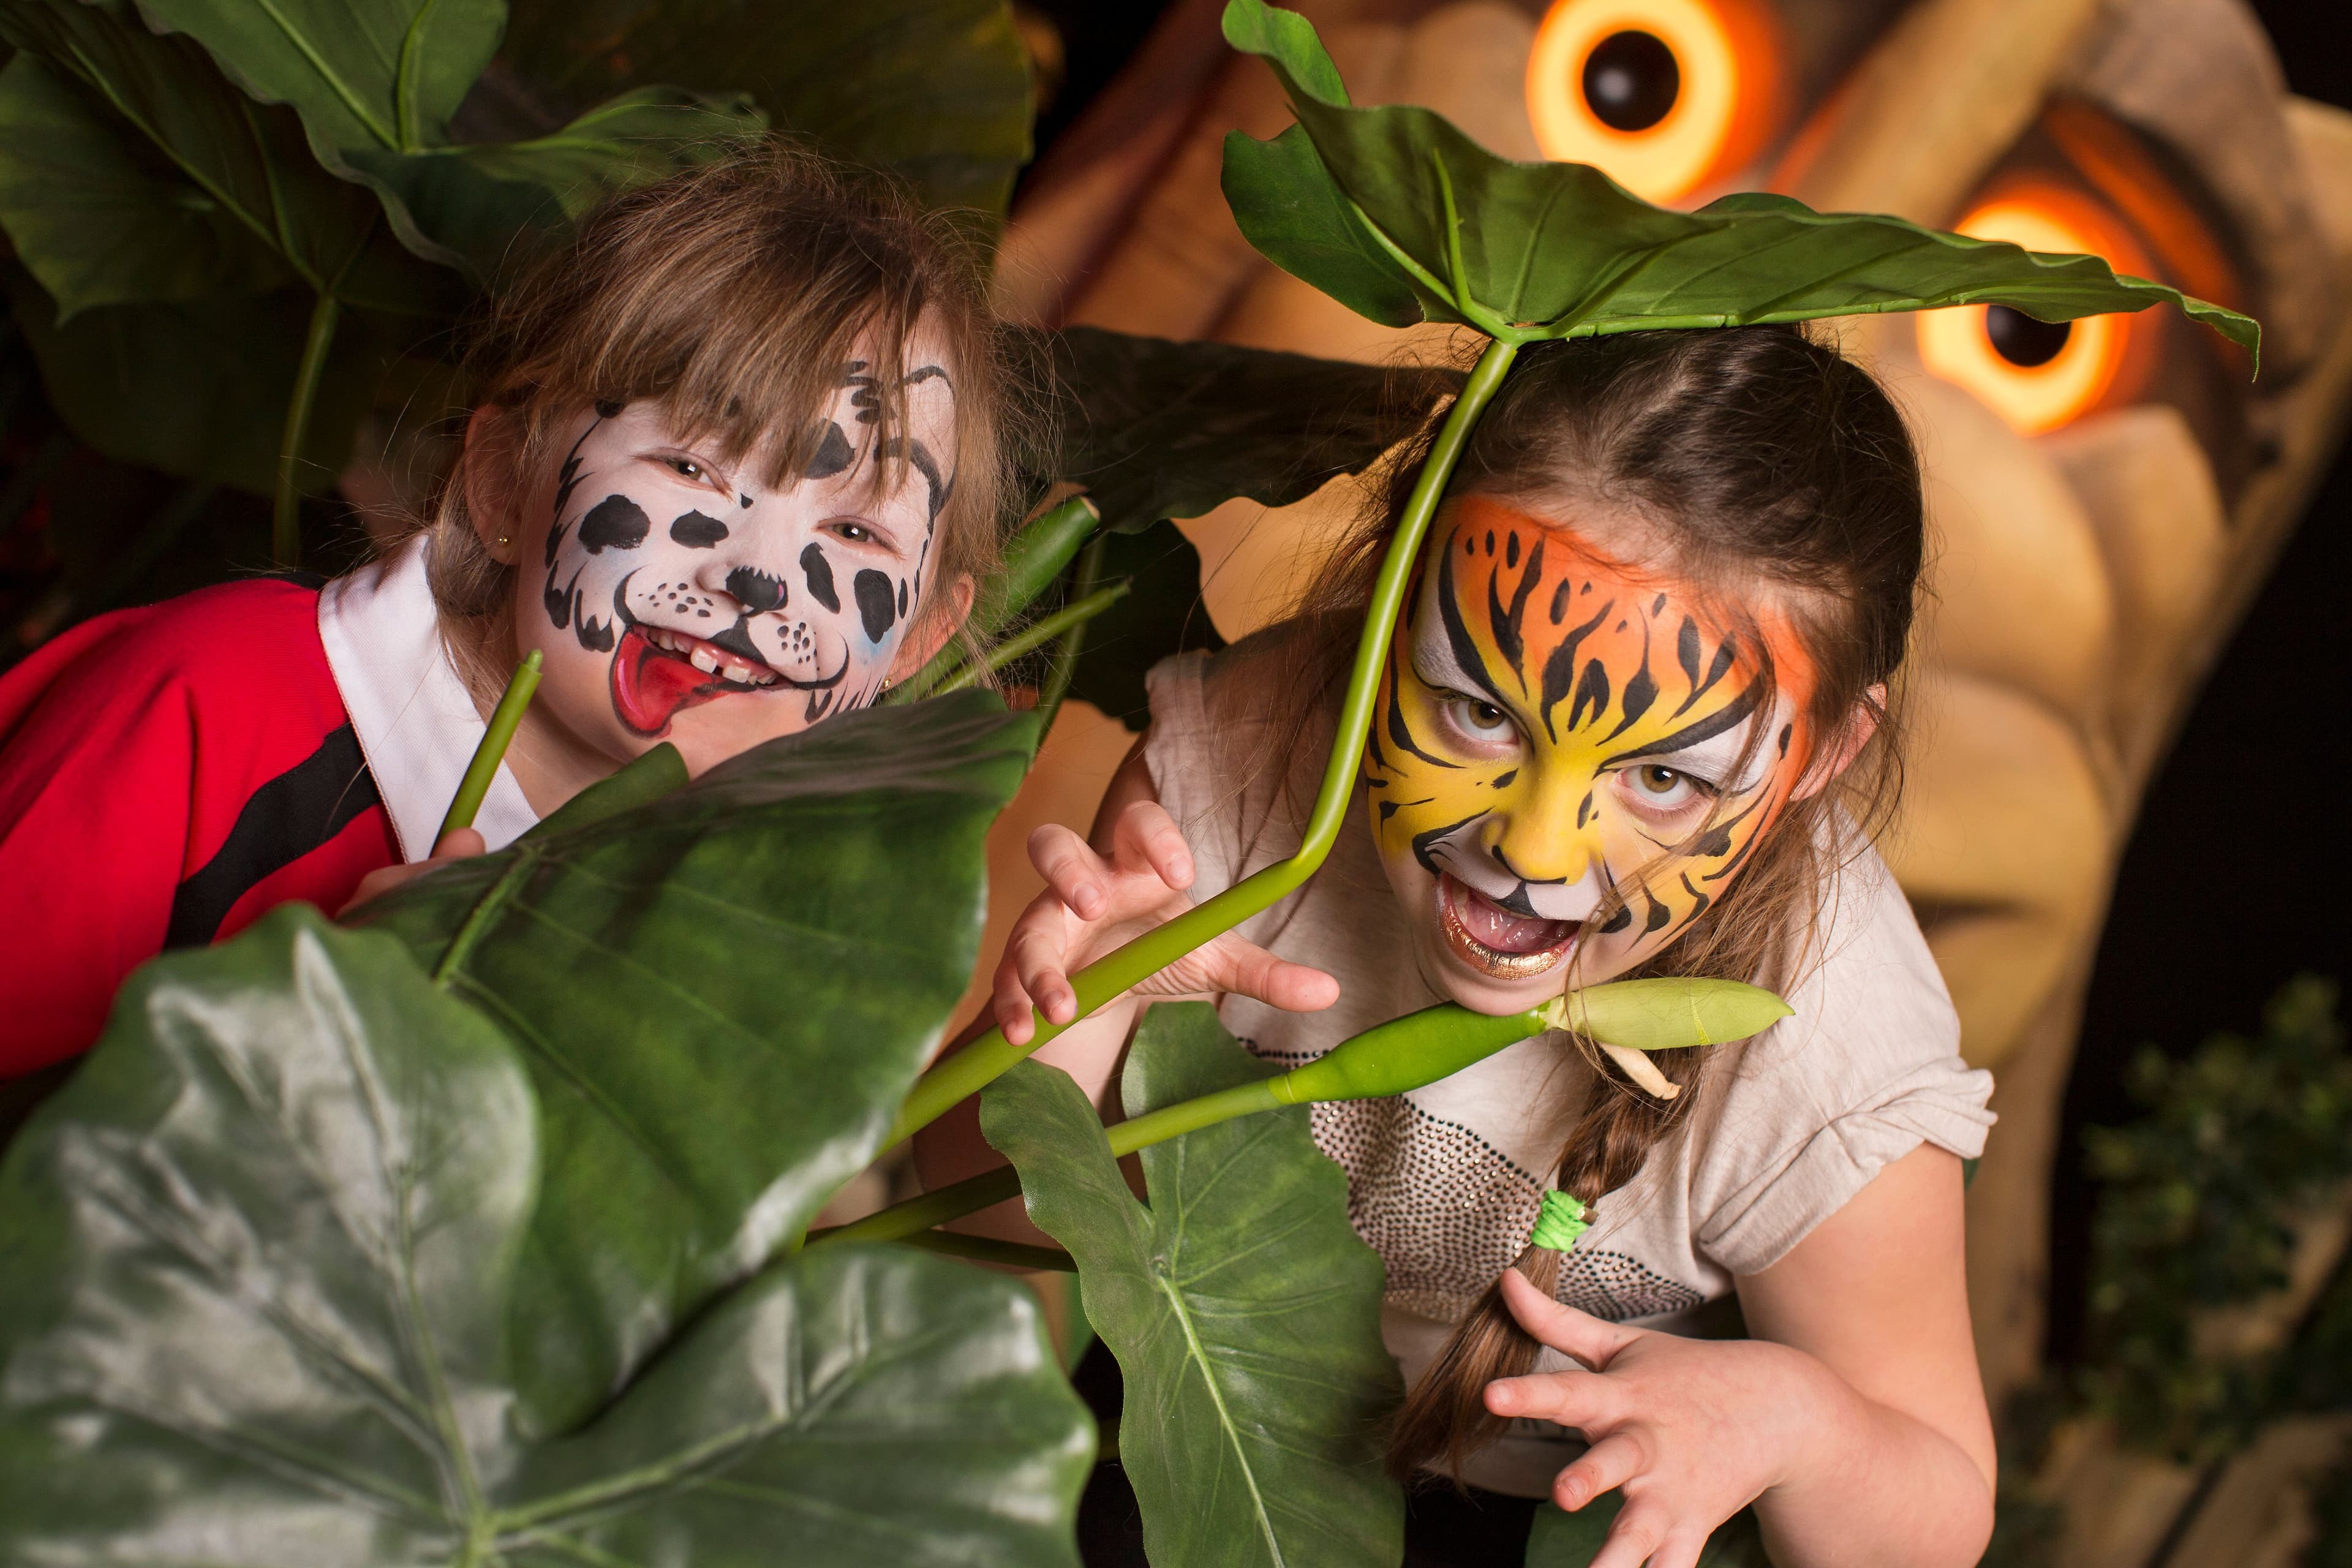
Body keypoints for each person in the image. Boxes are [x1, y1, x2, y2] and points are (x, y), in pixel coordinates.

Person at [921, 327, 1999, 1567]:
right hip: (1207, 1429)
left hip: (1567, 1529)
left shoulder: (1835, 1044)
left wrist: (1799, 1425)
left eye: (1661, 776)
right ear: (1392, 596)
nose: (1536, 847)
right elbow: (970, 1206)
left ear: (1822, 757)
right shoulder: (1234, 772)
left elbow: (1938, 1511)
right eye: (1482, 711)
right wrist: (1081, 1016)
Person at [0, 144, 1022, 1077]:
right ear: (500, 482)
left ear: (915, 646)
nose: (756, 580)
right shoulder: (214, 707)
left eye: (856, 537)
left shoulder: (759, 947)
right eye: (692, 466)